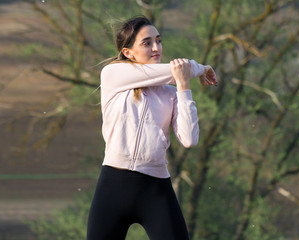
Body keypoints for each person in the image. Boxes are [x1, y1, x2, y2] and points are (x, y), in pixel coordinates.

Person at [87, 16, 217, 240]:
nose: (156, 48)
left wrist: (184, 87)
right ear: (128, 52)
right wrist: (201, 68)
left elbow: (189, 140)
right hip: (113, 187)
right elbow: (172, 71)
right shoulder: (112, 75)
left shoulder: (171, 93)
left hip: (155, 189)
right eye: (147, 43)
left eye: (158, 40)